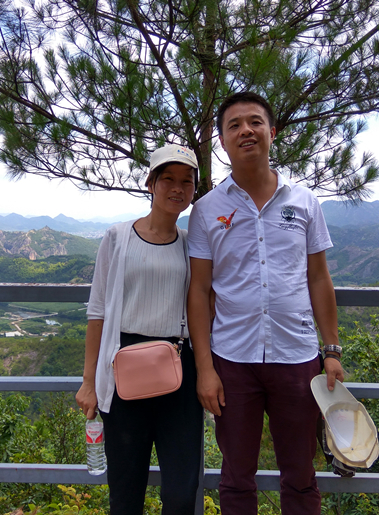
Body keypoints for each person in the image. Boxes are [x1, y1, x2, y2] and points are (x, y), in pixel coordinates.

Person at [187, 92, 344, 515]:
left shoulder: (304, 202)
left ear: (272, 133)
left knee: (301, 474)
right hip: (232, 361)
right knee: (236, 477)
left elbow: (318, 278)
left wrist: (331, 350)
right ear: (222, 141)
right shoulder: (206, 210)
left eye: (255, 122)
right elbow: (199, 291)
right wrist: (205, 369)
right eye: (234, 125)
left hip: (296, 357)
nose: (246, 131)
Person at [75, 144, 203, 515]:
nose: (177, 188)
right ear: (150, 183)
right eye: (168, 179)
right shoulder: (118, 237)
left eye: (187, 181)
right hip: (124, 368)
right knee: (126, 492)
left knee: (181, 494)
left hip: (179, 367)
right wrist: (88, 382)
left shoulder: (192, 245)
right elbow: (98, 311)